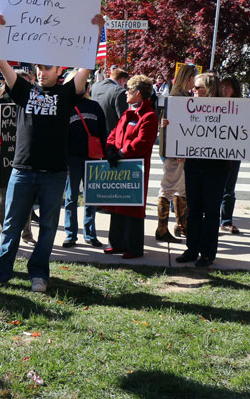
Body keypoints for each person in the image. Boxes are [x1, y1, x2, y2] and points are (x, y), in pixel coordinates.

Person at [0, 12, 105, 292]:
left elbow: (86, 64)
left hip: (54, 174)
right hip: (22, 171)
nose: (41, 71)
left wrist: (96, 32)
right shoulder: (24, 90)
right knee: (10, 225)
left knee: (47, 229)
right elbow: (1, 62)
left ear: (59, 69)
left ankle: (39, 274)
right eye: (38, 67)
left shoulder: (68, 93)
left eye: (47, 68)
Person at [174, 73, 232, 267]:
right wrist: (170, 127)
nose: (193, 91)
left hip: (216, 168)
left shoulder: (228, 110)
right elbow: (180, 131)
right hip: (193, 165)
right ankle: (191, 249)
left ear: (208, 89)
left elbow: (237, 134)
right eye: (194, 88)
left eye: (197, 88)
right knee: (194, 210)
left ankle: (207, 253)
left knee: (211, 211)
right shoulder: (188, 108)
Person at [102, 74, 158, 259]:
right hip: (119, 165)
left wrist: (121, 152)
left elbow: (142, 142)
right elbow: (113, 134)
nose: (126, 93)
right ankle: (116, 243)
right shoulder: (127, 113)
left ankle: (133, 248)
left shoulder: (149, 116)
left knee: (132, 209)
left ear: (139, 93)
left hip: (135, 168)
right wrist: (110, 149)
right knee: (117, 205)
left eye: (130, 90)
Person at [0, 70, 35, 246]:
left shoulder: (34, 104)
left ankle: (26, 234)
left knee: (26, 199)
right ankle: (4, 235)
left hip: (27, 159)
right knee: (3, 201)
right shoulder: (0, 103)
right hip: (3, 160)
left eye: (28, 83)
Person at [63, 74, 107, 248]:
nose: (82, 89)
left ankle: (90, 234)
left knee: (91, 198)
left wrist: (104, 154)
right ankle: (70, 235)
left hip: (93, 158)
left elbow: (103, 132)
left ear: (87, 88)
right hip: (72, 159)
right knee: (71, 197)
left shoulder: (95, 107)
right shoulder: (66, 107)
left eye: (84, 86)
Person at [156, 64, 197, 242]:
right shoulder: (177, 98)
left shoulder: (182, 96)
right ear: (188, 78)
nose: (195, 82)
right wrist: (179, 149)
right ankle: (162, 229)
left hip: (180, 151)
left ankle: (181, 226)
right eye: (194, 77)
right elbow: (172, 128)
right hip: (175, 152)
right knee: (169, 189)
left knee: (182, 189)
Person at [219, 76, 250, 234]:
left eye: (229, 87)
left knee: (229, 189)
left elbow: (248, 127)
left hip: (233, 152)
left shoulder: (242, 107)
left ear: (234, 89)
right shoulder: (211, 104)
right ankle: (212, 219)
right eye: (223, 86)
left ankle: (226, 221)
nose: (225, 89)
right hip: (215, 153)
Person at [90, 67, 129, 133]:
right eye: (125, 83)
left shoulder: (95, 86)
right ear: (122, 80)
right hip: (111, 133)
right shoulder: (120, 92)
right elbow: (123, 118)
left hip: (95, 130)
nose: (124, 85)